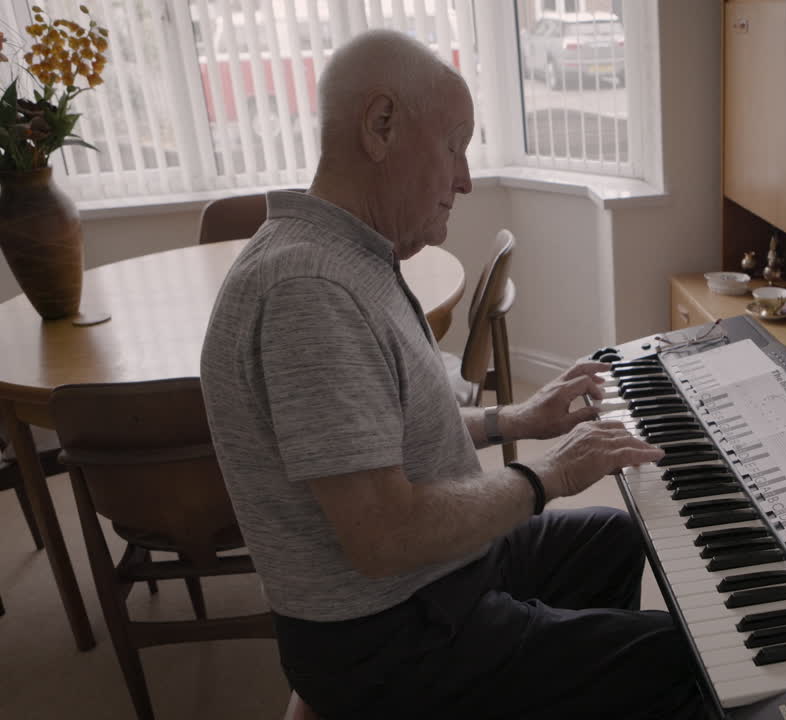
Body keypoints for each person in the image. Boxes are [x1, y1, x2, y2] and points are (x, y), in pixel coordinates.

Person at [201, 30, 707, 719]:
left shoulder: (345, 256)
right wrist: (547, 472)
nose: (465, 178)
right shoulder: (309, 290)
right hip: (388, 638)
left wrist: (515, 421)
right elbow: (384, 537)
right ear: (382, 126)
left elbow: (388, 430)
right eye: (454, 145)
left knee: (615, 538)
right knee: (689, 668)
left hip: (433, 583)